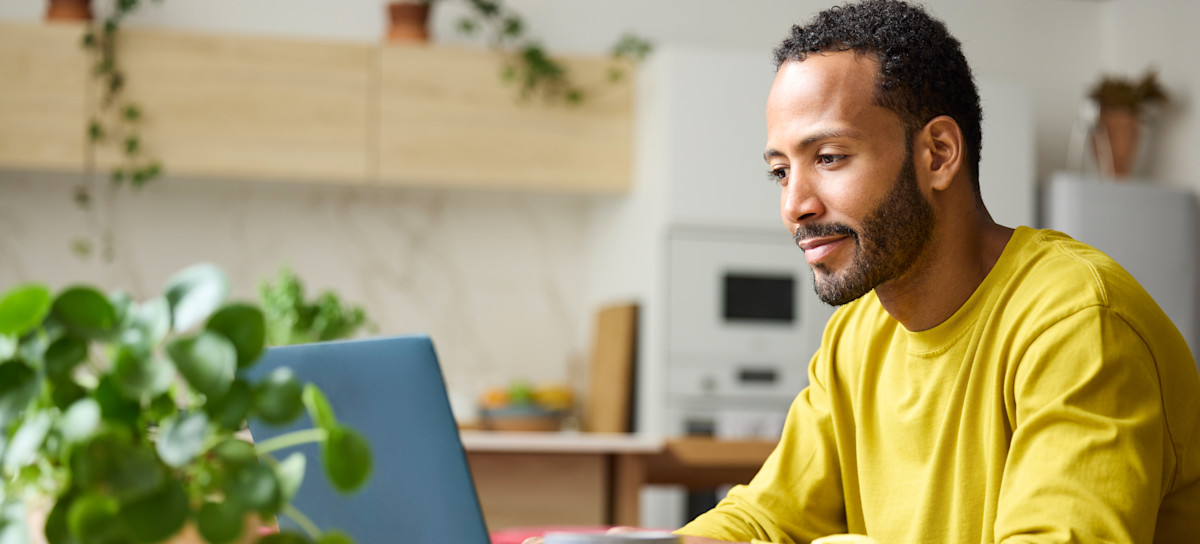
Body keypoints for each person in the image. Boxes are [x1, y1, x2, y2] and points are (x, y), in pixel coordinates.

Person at [526, 1, 1200, 543]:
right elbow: (768, 518)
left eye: (829, 158)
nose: (795, 205)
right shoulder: (857, 336)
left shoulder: (1077, 322)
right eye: (781, 171)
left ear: (938, 154)